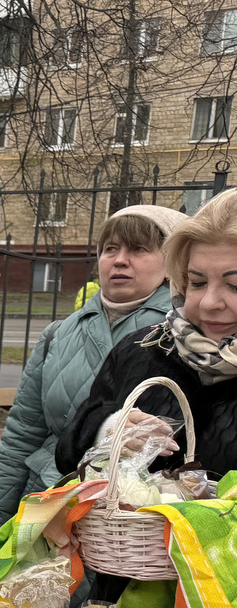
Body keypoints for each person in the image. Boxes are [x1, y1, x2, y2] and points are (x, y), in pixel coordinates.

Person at [0, 205, 182, 537]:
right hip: (46, 506)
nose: (119, 260)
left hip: (132, 524)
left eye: (138, 249)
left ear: (171, 262)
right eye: (110, 249)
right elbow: (23, 432)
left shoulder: (184, 336)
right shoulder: (58, 335)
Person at [59, 189, 237, 520]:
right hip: (129, 566)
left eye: (235, 285)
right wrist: (108, 430)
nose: (210, 302)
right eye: (197, 282)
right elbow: (69, 449)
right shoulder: (143, 348)